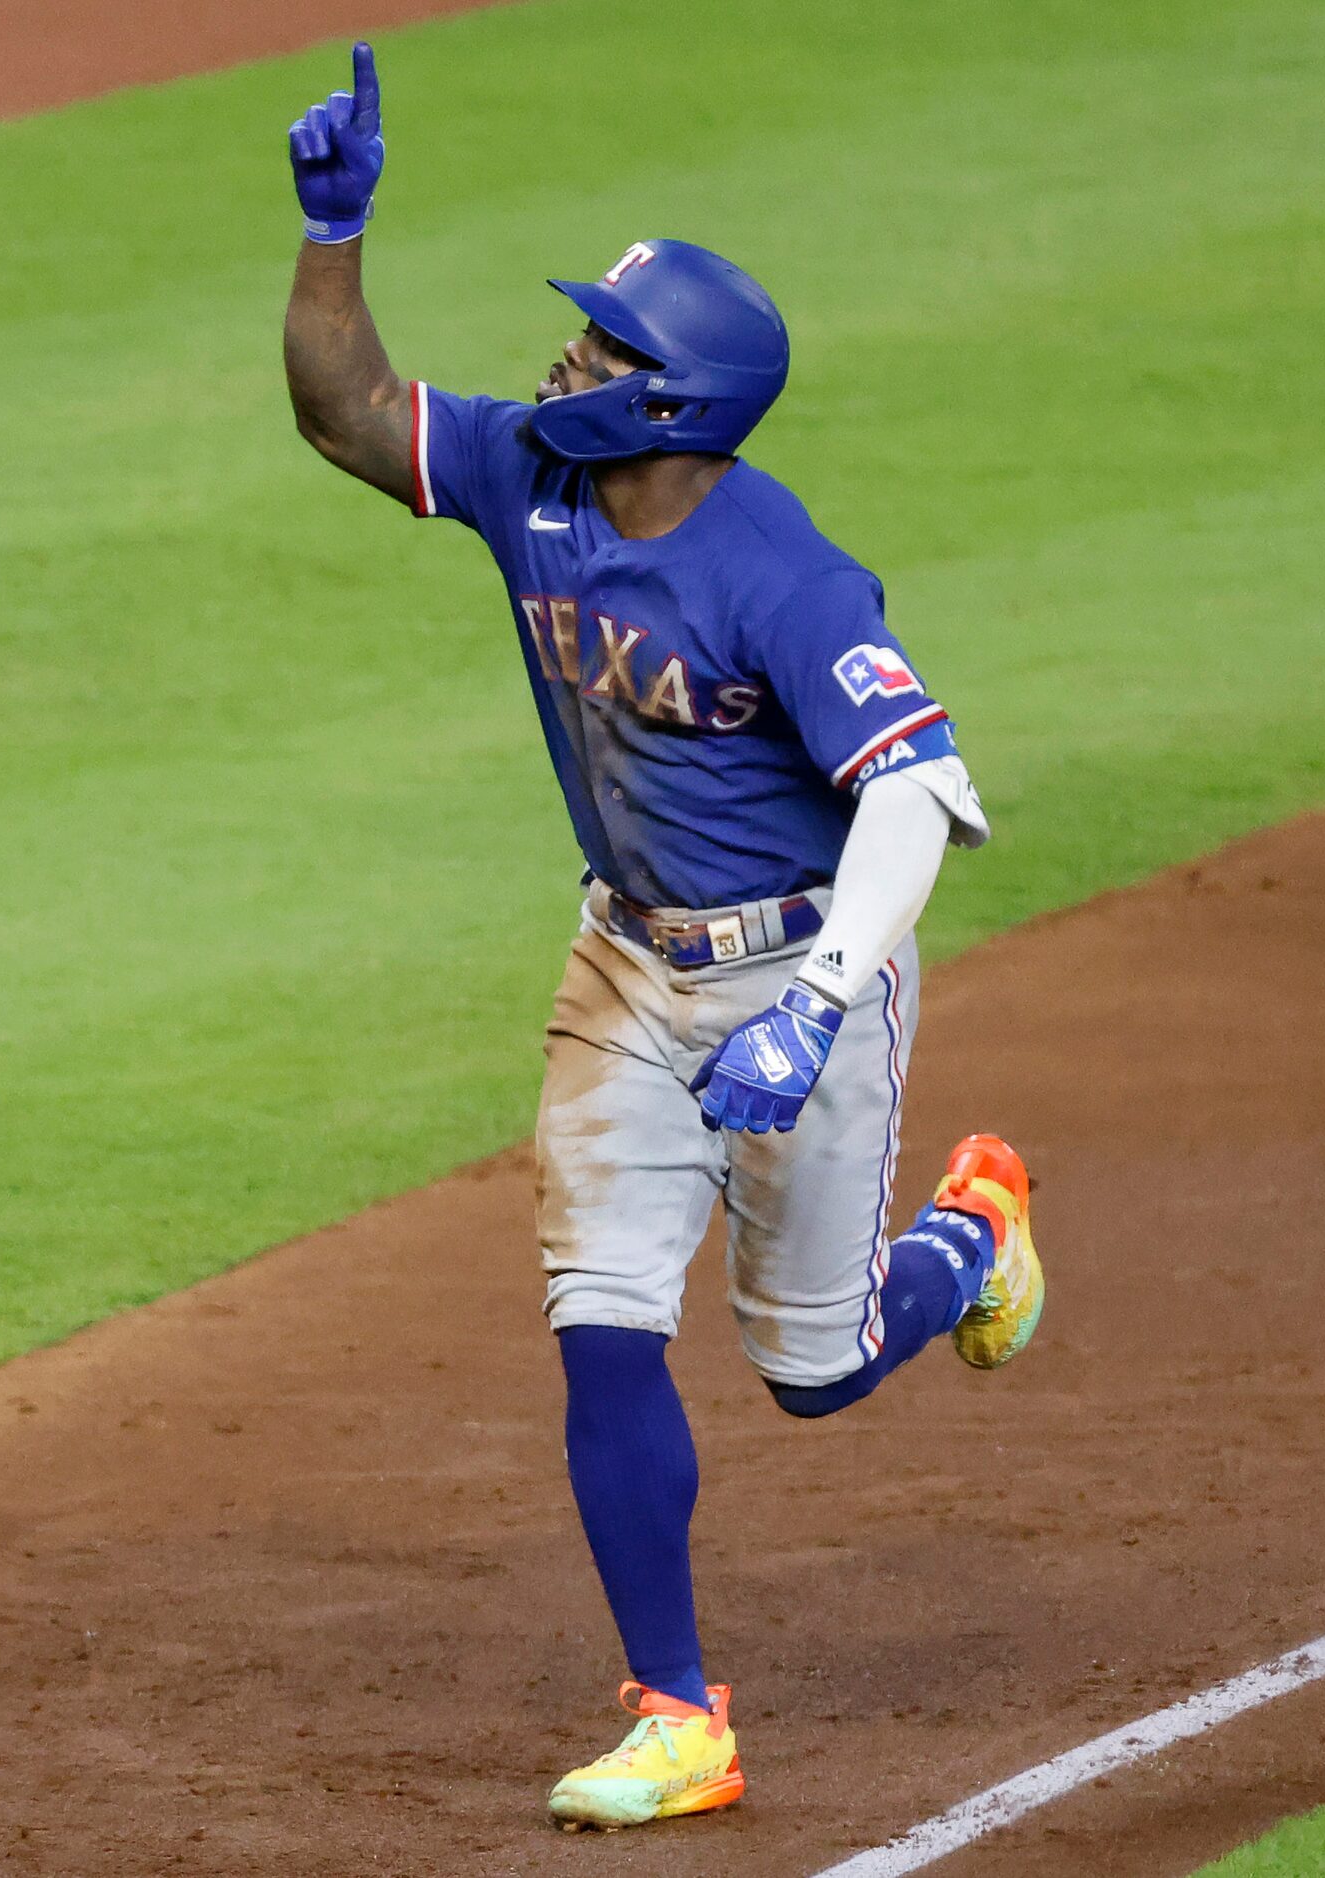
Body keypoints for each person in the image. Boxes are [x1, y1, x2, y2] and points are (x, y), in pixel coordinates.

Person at [279, 43, 1045, 1831]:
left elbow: (916, 796)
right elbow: (343, 409)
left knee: (814, 1367)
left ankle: (972, 1225)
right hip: (626, 967)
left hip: (807, 969)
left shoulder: (780, 574)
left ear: (675, 408)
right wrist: (334, 232)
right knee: (601, 1319)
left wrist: (819, 1007)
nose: (568, 363)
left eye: (605, 353)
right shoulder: (526, 478)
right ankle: (679, 1710)